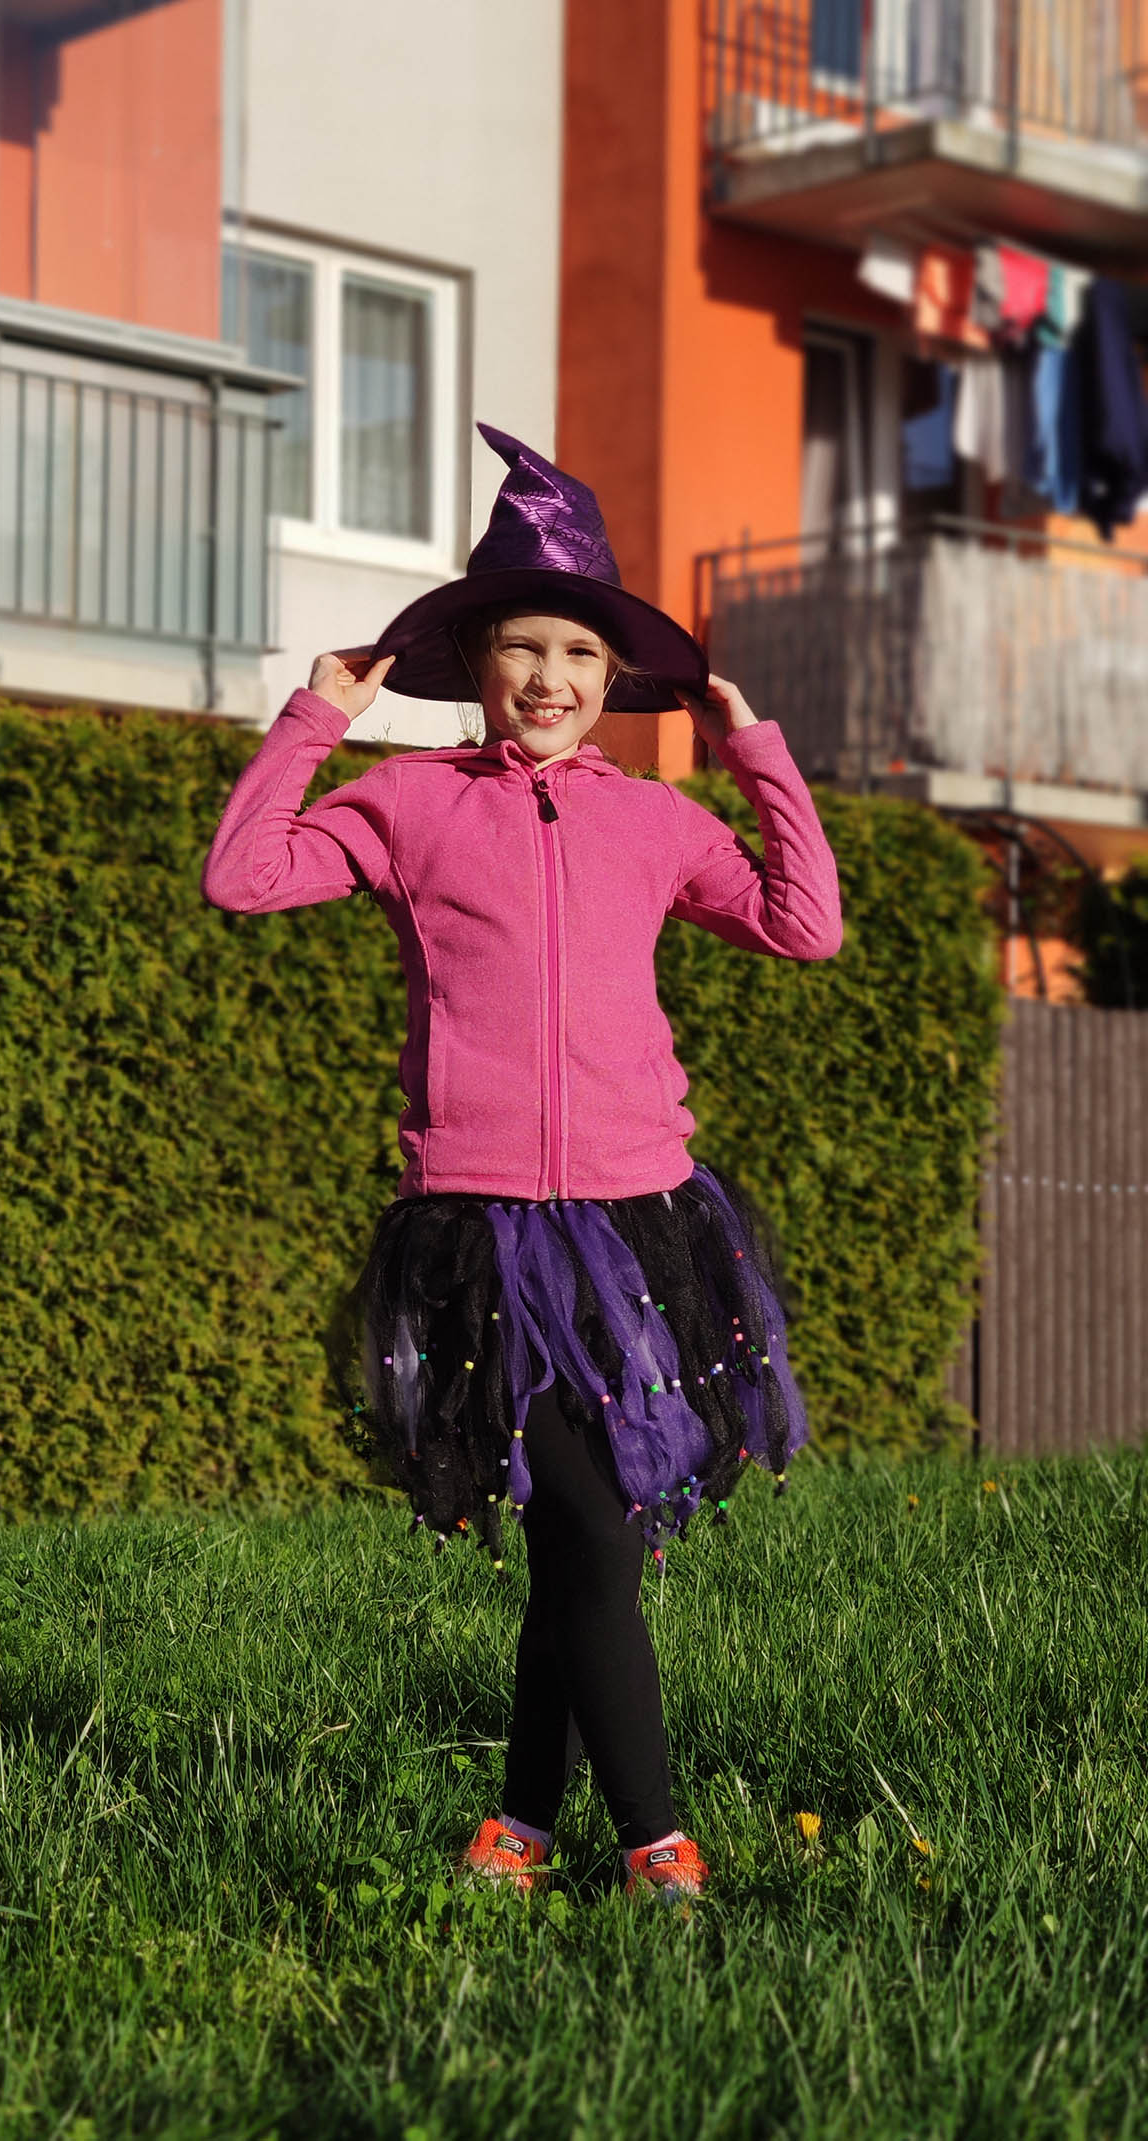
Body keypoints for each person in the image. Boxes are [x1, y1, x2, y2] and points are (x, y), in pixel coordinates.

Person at [201, 423, 842, 1907]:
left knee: (579, 1543)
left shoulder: (656, 820)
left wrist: (752, 749)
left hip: (639, 1229)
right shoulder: (410, 804)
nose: (550, 678)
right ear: (475, 665)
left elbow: (805, 922)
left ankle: (520, 1828)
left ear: (614, 680)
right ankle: (659, 1848)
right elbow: (243, 874)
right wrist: (315, 719)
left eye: (578, 654)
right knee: (593, 1539)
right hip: (482, 1232)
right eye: (523, 649)